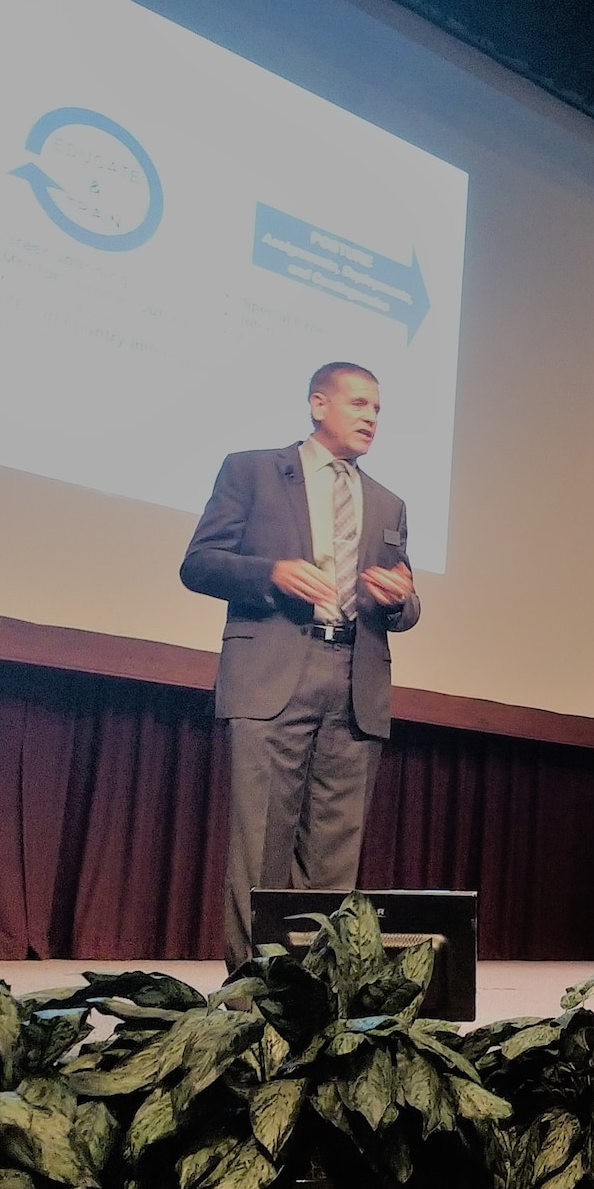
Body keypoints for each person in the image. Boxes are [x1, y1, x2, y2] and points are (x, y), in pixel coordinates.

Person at [181, 362, 420, 970]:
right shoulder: (252, 470)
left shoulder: (388, 501)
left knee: (335, 850)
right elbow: (200, 562)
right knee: (261, 841)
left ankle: (318, 988)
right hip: (274, 669)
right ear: (318, 404)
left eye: (378, 410)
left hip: (354, 678)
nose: (371, 417)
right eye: (359, 404)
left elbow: (408, 602)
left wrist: (401, 599)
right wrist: (270, 573)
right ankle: (254, 989)